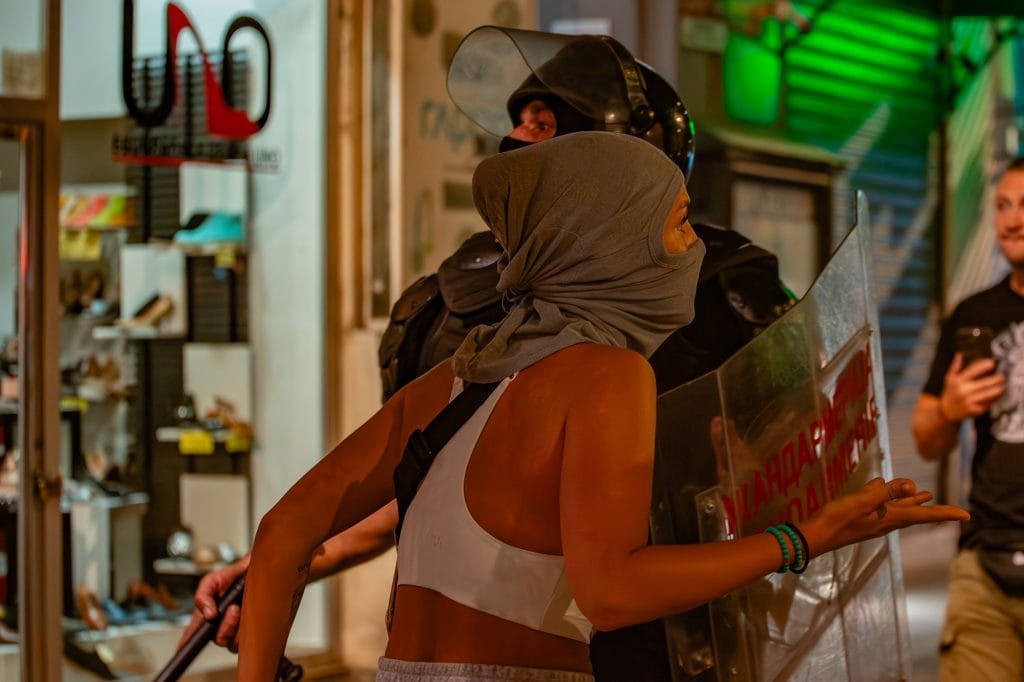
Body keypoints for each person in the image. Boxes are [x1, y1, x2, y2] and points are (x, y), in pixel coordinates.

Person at [234, 131, 966, 680]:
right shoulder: (609, 376)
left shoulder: (456, 380)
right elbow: (611, 591)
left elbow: (281, 534)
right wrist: (804, 537)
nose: (692, 250)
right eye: (678, 223)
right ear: (613, 243)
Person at [182, 34, 790, 678]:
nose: (518, 142)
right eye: (522, 125)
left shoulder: (721, 296)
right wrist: (284, 567)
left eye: (546, 126)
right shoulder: (488, 322)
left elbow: (787, 453)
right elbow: (429, 487)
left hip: (675, 647)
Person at [912, 156, 1024, 681]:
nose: (1012, 220)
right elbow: (927, 440)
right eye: (1002, 205)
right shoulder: (974, 315)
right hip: (985, 567)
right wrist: (949, 410)